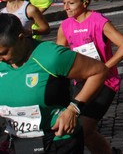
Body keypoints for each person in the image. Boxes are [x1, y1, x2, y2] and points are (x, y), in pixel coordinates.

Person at [0, 13, 109, 153]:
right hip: (19, 141)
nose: (0, 58)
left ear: (21, 38)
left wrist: (74, 109)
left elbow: (99, 71)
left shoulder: (51, 56)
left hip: (58, 140)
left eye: (4, 52)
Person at [57, 0, 123, 154]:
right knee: (82, 131)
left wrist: (104, 68)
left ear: (85, 3)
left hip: (105, 82)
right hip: (80, 81)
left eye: (71, 3)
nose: (66, 7)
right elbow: (59, 55)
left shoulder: (98, 21)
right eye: (64, 3)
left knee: (83, 128)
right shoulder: (65, 25)